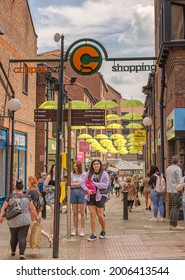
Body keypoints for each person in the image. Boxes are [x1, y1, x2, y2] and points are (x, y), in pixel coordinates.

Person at [0, 179, 38, 260]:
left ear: (15, 187)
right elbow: (32, 209)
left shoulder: (10, 196)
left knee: (13, 236)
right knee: (22, 237)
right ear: (22, 187)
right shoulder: (27, 197)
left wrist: (1, 216)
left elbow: (3, 207)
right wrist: (36, 216)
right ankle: (21, 255)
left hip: (12, 219)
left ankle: (13, 251)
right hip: (25, 219)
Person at [81, 159, 109, 241]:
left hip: (100, 196)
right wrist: (87, 189)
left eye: (97, 164)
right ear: (92, 165)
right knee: (92, 214)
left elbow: (105, 185)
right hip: (91, 195)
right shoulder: (88, 173)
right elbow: (83, 182)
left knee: (100, 215)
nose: (96, 165)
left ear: (100, 165)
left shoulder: (104, 174)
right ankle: (93, 234)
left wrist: (95, 184)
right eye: (94, 164)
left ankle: (103, 230)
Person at [26, 176, 51, 245]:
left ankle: (48, 236)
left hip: (32, 211)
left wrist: (34, 213)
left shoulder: (31, 191)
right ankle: (29, 241)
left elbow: (29, 202)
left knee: (33, 227)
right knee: (31, 227)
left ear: (30, 182)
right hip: (35, 210)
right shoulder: (36, 190)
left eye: (28, 181)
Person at [166, 155, 184, 230]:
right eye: (180, 160)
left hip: (170, 190)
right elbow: (180, 181)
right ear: (178, 161)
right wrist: (182, 190)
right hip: (176, 190)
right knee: (176, 207)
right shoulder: (178, 169)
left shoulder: (168, 168)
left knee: (173, 206)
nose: (180, 162)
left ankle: (171, 224)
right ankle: (175, 225)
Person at [70, 160, 86, 237]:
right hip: (73, 192)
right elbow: (69, 184)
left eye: (76, 166)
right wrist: (77, 184)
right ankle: (75, 229)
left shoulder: (84, 174)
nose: (75, 167)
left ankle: (83, 229)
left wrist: (74, 184)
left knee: (82, 212)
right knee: (75, 213)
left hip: (82, 192)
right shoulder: (71, 174)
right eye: (74, 165)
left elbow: (83, 184)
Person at [43, 163, 56, 243]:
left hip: (57, 197)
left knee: (56, 215)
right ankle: (51, 233)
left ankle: (54, 232)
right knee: (54, 214)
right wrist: (52, 188)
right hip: (51, 197)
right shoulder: (49, 176)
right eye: (55, 167)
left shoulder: (60, 176)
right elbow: (44, 188)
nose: (56, 169)